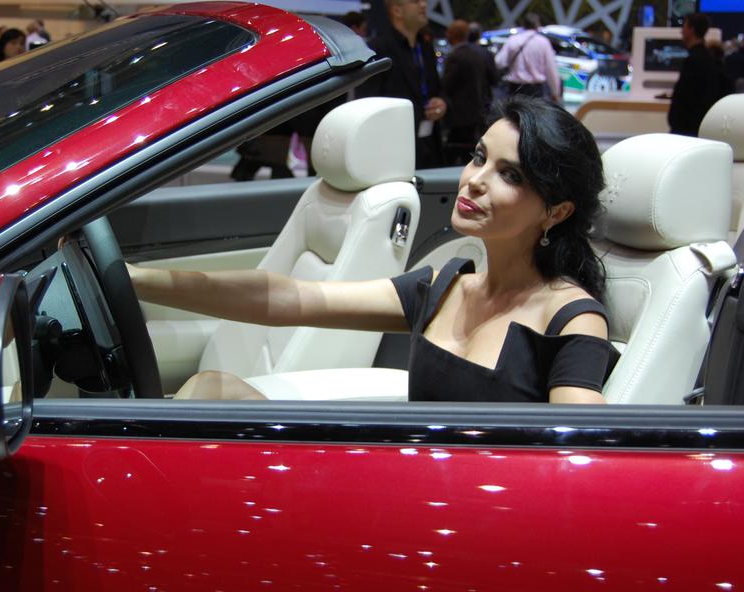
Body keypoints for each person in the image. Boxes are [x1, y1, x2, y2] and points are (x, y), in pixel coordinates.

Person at [129, 96, 618, 403]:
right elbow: (288, 299)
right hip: (406, 476)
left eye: (509, 175)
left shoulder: (570, 318)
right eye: (478, 158)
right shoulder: (445, 285)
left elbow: (580, 456)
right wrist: (137, 281)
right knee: (211, 389)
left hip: (468, 512)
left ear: (556, 212)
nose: (475, 181)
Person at [356, 0, 448, 168]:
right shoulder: (378, 49)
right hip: (394, 150)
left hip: (431, 145)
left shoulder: (426, 47)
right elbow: (367, 103)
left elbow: (439, 90)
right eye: (415, 1)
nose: (424, 5)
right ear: (397, 11)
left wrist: (442, 103)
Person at [442, 19, 499, 164]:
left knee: (453, 153)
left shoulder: (456, 56)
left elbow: (446, 86)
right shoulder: (477, 54)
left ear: (453, 34)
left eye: (448, 32)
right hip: (477, 112)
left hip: (459, 115)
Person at [668, 13, 732, 136]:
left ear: (691, 29)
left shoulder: (694, 60)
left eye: (684, 27)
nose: (681, 31)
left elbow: (687, 97)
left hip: (688, 129)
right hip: (700, 126)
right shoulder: (709, 59)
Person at [495, 12, 561, 102]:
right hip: (535, 90)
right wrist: (555, 92)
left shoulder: (513, 40)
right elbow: (551, 69)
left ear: (523, 24)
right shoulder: (543, 42)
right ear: (537, 25)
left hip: (514, 88)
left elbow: (499, 62)